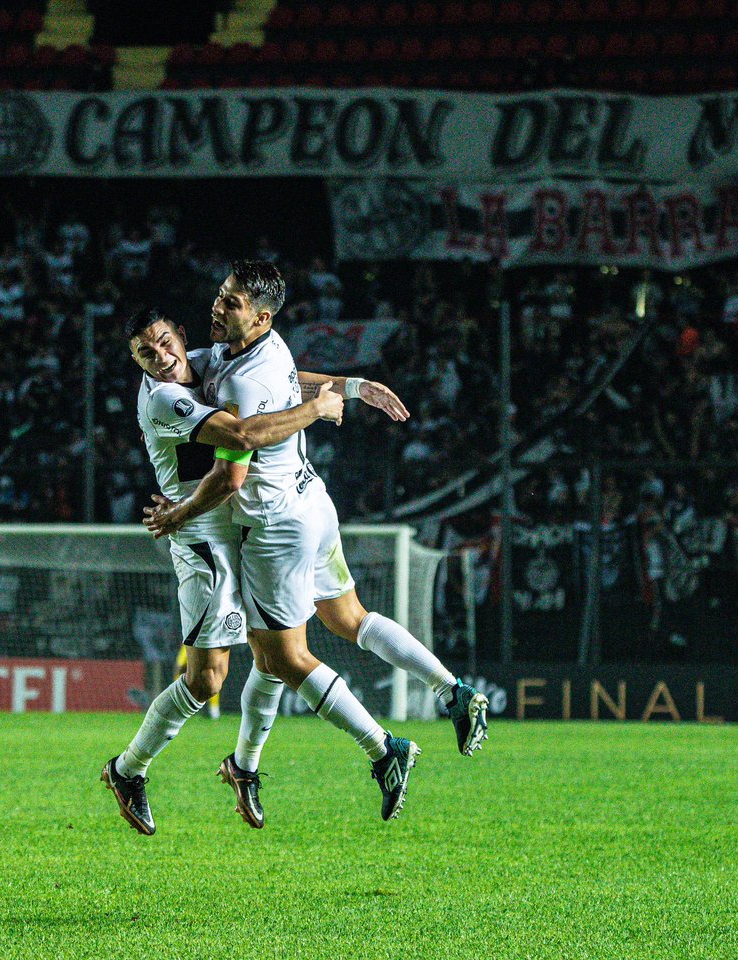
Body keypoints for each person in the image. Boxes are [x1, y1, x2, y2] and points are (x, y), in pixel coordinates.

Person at [145, 260, 489, 822]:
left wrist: (180, 513)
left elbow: (238, 457)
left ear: (259, 317)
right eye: (220, 295)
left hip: (275, 527)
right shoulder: (266, 347)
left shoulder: (236, 381)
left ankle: (385, 750)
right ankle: (452, 690)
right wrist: (349, 388)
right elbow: (289, 386)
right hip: (313, 502)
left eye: (230, 302)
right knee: (349, 618)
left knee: (282, 656)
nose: (217, 305)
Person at [102, 308, 345, 836]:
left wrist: (350, 385)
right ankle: (128, 770)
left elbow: (278, 378)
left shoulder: (200, 361)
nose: (161, 358)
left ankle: (246, 767)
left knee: (273, 648)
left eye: (164, 343)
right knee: (207, 677)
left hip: (234, 528)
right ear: (137, 363)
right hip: (199, 539)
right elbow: (238, 432)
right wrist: (319, 408)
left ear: (180, 336)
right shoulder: (163, 397)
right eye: (146, 354)